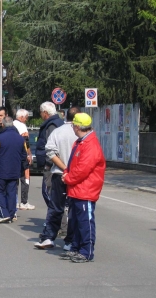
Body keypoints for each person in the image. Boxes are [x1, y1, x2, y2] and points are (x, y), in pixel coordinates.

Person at [60, 113, 106, 263]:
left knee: (85, 222)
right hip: (77, 189)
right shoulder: (80, 142)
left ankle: (86, 251)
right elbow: (73, 164)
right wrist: (67, 173)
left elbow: (82, 169)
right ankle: (77, 247)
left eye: (73, 125)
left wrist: (68, 178)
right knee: (76, 221)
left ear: (78, 126)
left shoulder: (90, 145)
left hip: (85, 190)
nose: (72, 127)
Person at [34, 107, 80, 250]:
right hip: (77, 174)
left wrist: (63, 167)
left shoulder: (57, 131)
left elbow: (50, 151)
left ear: (65, 116)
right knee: (74, 208)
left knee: (55, 207)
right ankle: (70, 240)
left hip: (59, 173)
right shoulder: (81, 133)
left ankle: (49, 237)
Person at [0, 116, 27, 223]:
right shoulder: (21, 139)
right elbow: (24, 155)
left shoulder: (0, 137)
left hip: (1, 170)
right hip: (15, 170)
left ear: (3, 124)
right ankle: (11, 214)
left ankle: (4, 213)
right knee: (11, 192)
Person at [36, 102, 64, 209]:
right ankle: (56, 218)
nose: (40, 115)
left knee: (47, 192)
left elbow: (50, 147)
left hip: (52, 164)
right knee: (53, 193)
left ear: (45, 113)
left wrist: (48, 163)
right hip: (56, 163)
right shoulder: (59, 122)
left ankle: (55, 218)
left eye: (41, 112)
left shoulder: (52, 125)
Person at [13, 109, 35, 210]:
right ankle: (24, 202)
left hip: (14, 156)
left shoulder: (12, 124)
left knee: (14, 180)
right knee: (25, 178)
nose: (26, 119)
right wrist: (29, 154)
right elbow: (26, 142)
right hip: (23, 156)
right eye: (26, 117)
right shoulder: (22, 126)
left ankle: (15, 201)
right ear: (21, 117)